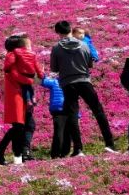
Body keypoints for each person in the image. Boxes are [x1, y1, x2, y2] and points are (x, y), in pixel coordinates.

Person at [50, 20, 116, 155]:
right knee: (98, 111)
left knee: (72, 115)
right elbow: (90, 64)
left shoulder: (56, 48)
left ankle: (78, 149)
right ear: (70, 29)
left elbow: (54, 68)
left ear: (57, 32)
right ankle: (110, 144)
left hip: (68, 84)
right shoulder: (84, 44)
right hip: (84, 81)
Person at [0, 35, 43, 165]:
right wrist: (33, 77)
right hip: (18, 97)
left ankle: (1, 152)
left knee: (21, 126)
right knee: (21, 127)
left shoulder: (16, 58)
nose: (28, 49)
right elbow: (21, 78)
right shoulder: (13, 59)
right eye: (25, 46)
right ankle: (19, 156)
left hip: (21, 96)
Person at [43, 75, 74, 159]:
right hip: (68, 109)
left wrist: (43, 74)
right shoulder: (71, 82)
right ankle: (64, 153)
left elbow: (42, 81)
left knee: (58, 132)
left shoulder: (54, 82)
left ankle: (56, 154)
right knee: (68, 133)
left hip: (57, 109)